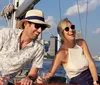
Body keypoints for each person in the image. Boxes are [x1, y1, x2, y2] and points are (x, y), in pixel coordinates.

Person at [37, 18, 99, 85]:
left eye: (72, 27)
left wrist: (96, 81)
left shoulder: (81, 43)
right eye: (67, 29)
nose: (71, 30)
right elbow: (50, 73)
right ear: (61, 33)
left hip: (94, 79)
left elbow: (91, 63)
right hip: (79, 82)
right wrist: (42, 79)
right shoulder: (61, 54)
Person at [0, 9, 51, 85]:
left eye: (42, 27)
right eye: (37, 26)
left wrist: (28, 78)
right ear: (26, 24)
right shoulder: (6, 33)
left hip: (7, 82)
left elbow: (33, 73)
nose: (40, 30)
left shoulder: (39, 49)